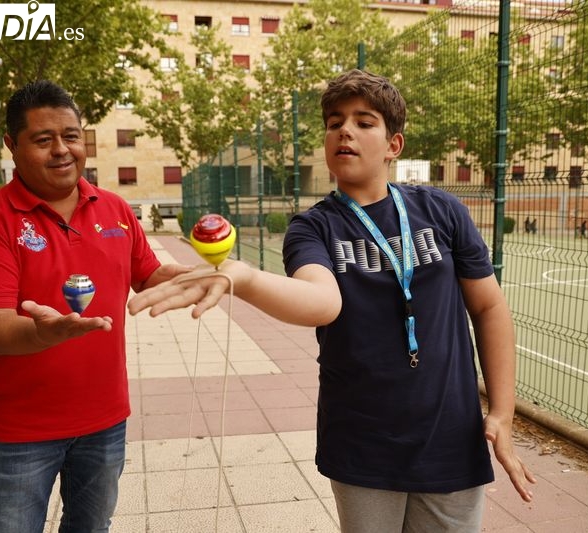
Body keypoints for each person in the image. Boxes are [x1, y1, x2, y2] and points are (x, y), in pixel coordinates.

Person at [128, 69, 535, 532]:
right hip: (362, 439)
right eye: (334, 121)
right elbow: (322, 301)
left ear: (393, 145)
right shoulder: (313, 227)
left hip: (450, 436)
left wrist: (502, 413)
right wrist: (242, 277)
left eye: (364, 122)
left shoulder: (442, 211)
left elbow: (488, 307)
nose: (345, 130)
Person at [0, 80, 188, 533]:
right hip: (18, 431)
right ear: (11, 146)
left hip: (104, 420)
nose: (62, 150)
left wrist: (190, 277)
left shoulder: (116, 208)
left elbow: (147, 274)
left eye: (72, 136)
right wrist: (42, 333)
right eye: (44, 139)